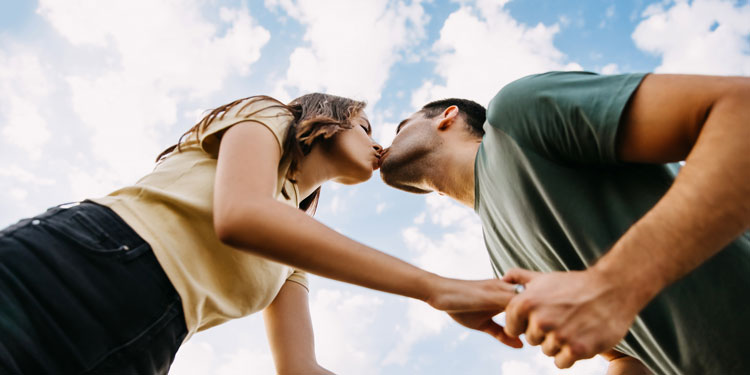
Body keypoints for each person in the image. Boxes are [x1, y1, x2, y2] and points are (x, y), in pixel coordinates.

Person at [0, 93, 522, 375]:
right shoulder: (268, 115)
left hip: (147, 344)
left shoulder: (293, 240)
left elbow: (297, 367)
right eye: (367, 127)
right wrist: (437, 287)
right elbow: (240, 216)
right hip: (75, 265)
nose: (378, 143)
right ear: (329, 117)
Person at [379, 71, 750, 374]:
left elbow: (740, 109)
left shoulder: (515, 116)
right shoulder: (500, 263)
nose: (384, 142)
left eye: (401, 125)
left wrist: (614, 284)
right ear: (436, 193)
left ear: (448, 116)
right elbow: (627, 355)